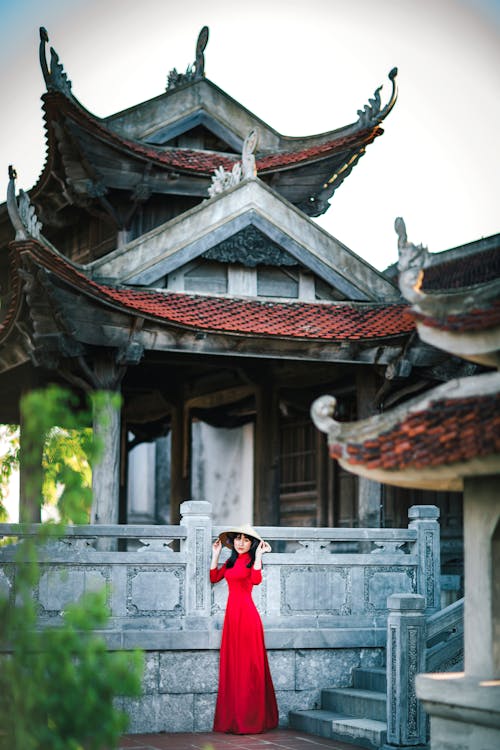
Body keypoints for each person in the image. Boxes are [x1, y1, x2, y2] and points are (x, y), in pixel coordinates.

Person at [210, 523, 279, 734]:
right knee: (234, 667)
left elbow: (256, 581)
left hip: (248, 618)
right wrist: (216, 554)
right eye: (238, 538)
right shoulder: (231, 562)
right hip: (232, 618)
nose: (241, 543)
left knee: (250, 667)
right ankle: (234, 718)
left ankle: (252, 719)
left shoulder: (251, 561)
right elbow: (214, 578)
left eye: (246, 539)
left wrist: (259, 556)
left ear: (252, 543)